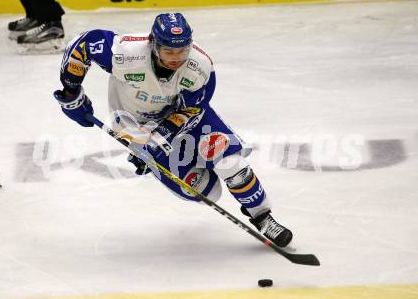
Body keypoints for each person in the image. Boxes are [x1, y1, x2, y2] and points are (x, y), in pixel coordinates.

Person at [53, 13, 293, 248]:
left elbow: (193, 109)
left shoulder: (200, 67)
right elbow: (83, 43)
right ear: (154, 45)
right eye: (169, 51)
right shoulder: (126, 54)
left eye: (182, 50)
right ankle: (191, 166)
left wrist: (160, 138)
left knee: (231, 164)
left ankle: (263, 217)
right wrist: (71, 92)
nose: (176, 58)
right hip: (135, 126)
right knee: (208, 192)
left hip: (185, 116)